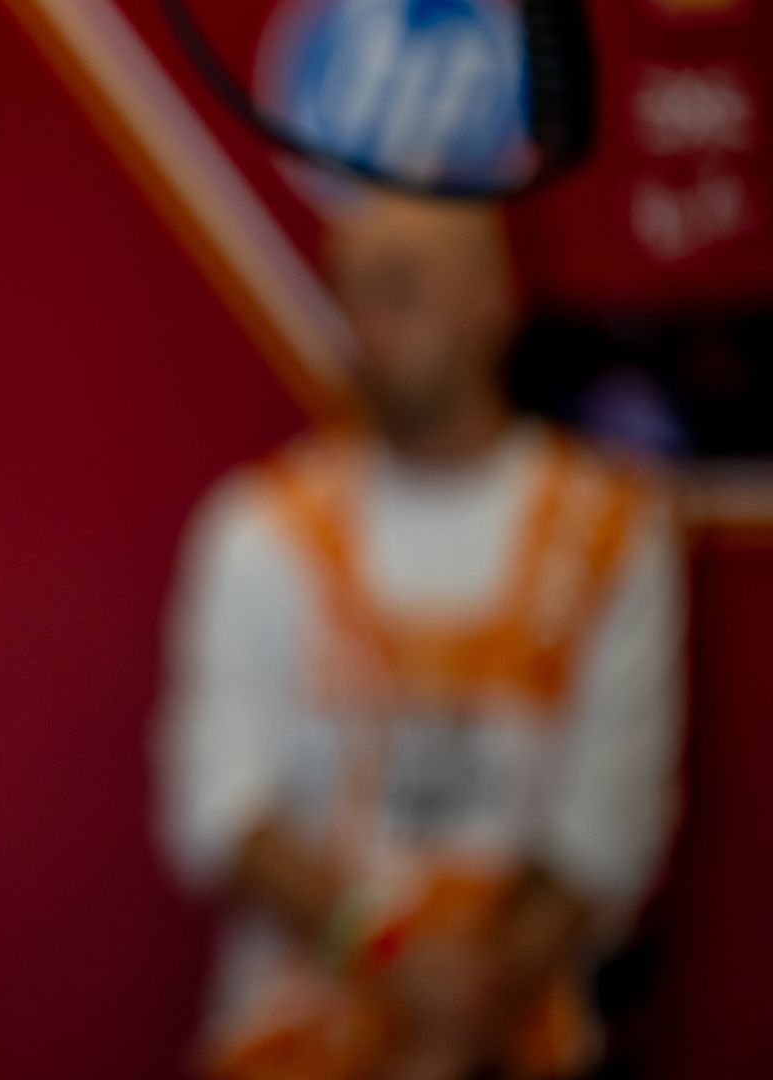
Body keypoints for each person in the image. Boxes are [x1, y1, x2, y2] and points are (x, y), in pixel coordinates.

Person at [157, 193, 684, 1080]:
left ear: (496, 295)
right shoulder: (259, 529)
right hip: (290, 1039)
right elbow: (222, 805)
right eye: (352, 291)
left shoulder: (612, 532)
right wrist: (400, 965)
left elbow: (610, 826)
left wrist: (466, 1012)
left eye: (403, 286)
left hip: (531, 1037)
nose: (371, 320)